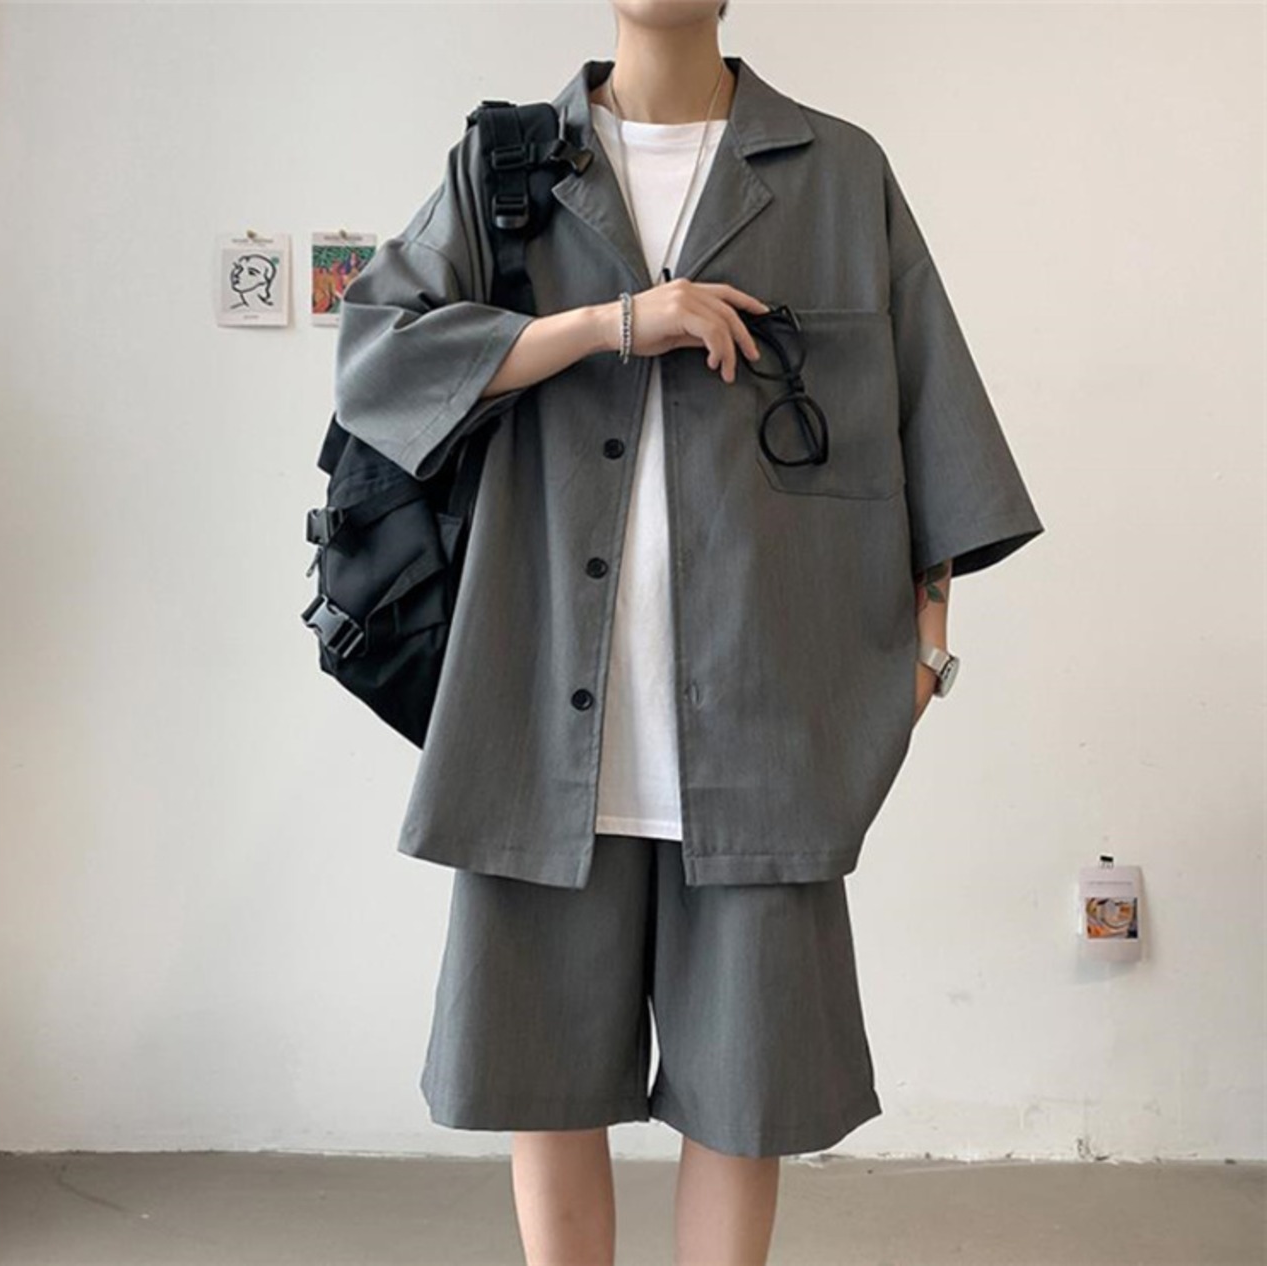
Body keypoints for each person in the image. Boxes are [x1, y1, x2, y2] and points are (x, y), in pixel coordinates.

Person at [332, 2, 1044, 1262]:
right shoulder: (509, 164)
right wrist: (616, 323)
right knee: (542, 1085)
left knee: (742, 1101)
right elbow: (377, 360)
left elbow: (928, 420)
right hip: (540, 707)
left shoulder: (837, 170)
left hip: (769, 718)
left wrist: (924, 655)